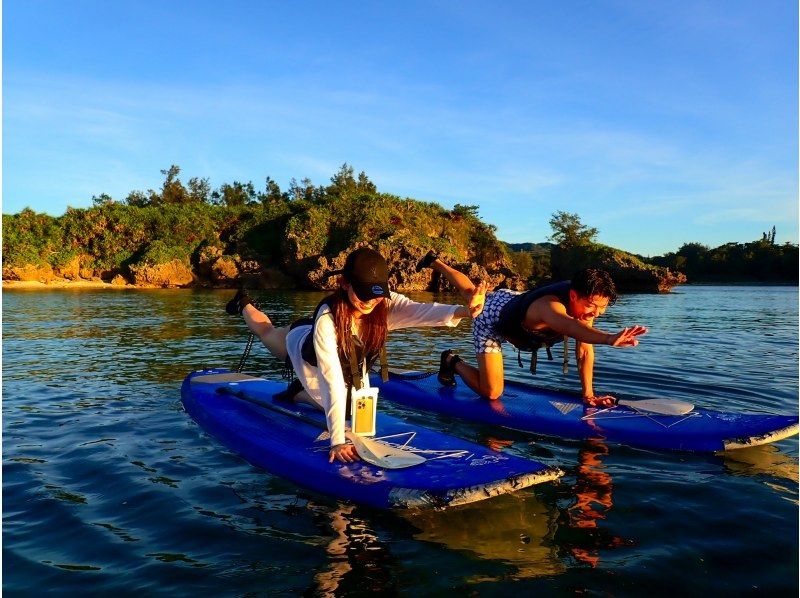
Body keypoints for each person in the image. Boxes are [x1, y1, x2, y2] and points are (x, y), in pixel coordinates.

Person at [226, 247, 486, 464]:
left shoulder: (383, 303)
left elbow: (422, 311)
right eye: (362, 294)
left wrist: (465, 310)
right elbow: (331, 380)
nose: (370, 302)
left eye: (375, 294)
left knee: (352, 408)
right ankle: (243, 303)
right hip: (304, 349)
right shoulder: (328, 320)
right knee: (267, 331)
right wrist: (337, 440)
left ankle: (298, 392)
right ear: (344, 283)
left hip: (339, 351)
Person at [417, 252, 646, 407]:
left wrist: (588, 394)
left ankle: (434, 261)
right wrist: (607, 338)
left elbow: (584, 349)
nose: (595, 314)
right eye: (592, 307)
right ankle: (451, 361)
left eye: (602, 309)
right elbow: (570, 326)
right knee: (492, 393)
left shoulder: (585, 304)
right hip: (491, 319)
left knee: (469, 291)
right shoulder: (550, 307)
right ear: (574, 296)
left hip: (514, 302)